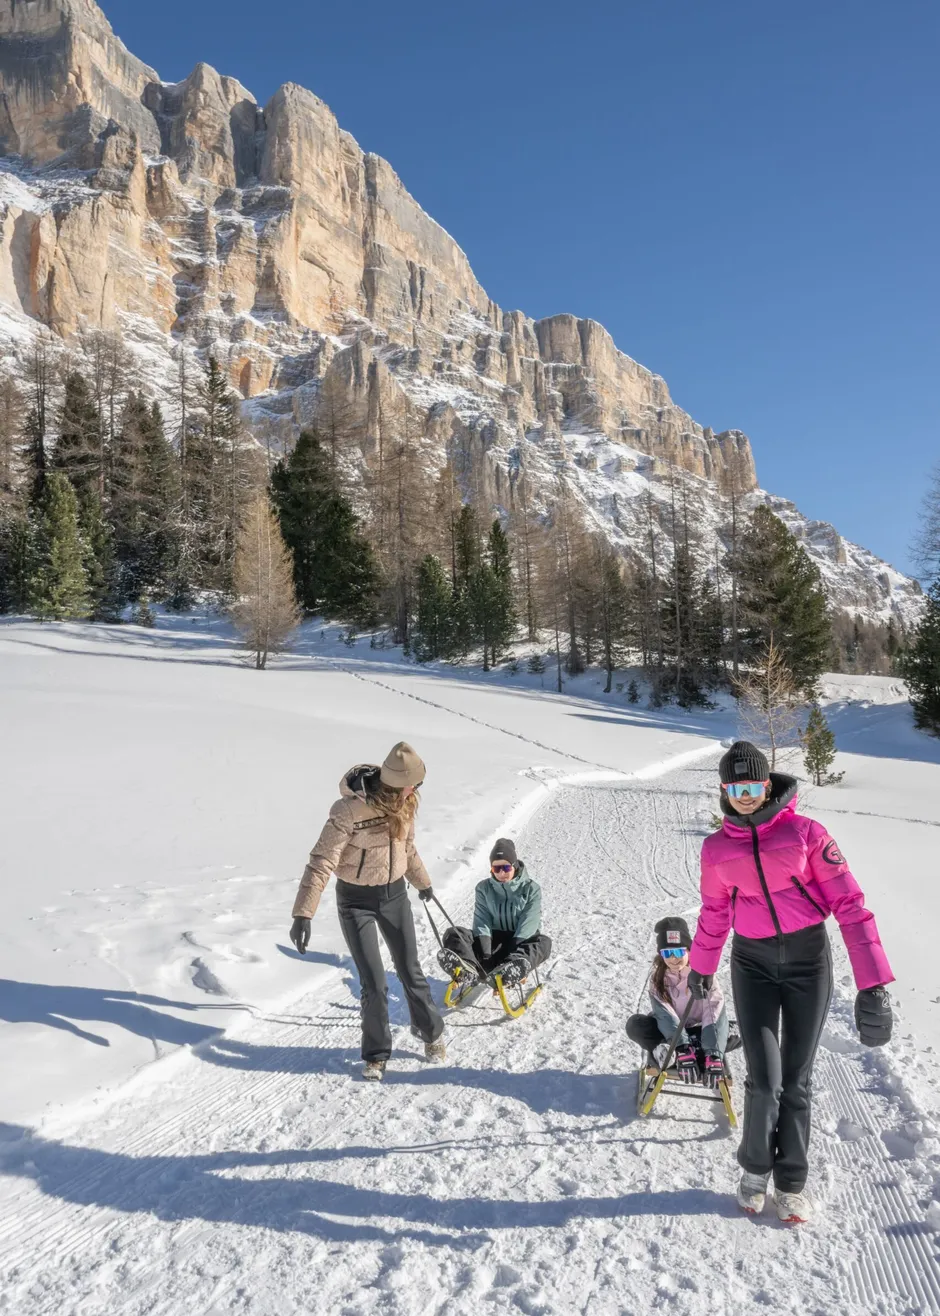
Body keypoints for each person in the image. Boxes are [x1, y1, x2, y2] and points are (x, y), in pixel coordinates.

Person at [688, 740, 894, 1224]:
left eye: (753, 784)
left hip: (807, 963)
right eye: (735, 786)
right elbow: (715, 910)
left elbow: (850, 905)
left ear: (767, 783)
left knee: (796, 1080)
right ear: (724, 789)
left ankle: (792, 1183)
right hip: (752, 965)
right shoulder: (716, 847)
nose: (745, 794)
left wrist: (873, 985)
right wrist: (701, 966)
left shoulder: (806, 833)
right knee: (765, 1080)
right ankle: (755, 1172)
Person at [289, 742, 446, 1081]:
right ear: (395, 781)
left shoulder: (406, 803)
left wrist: (423, 883)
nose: (416, 790)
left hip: (394, 896)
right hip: (355, 901)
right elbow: (322, 861)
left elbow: (407, 848)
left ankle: (431, 1032)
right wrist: (303, 913)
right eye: (413, 784)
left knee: (409, 969)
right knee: (374, 982)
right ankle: (375, 1055)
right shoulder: (347, 811)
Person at [625, 916, 731, 1090]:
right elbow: (665, 1014)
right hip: (671, 1032)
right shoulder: (658, 979)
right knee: (635, 1025)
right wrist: (681, 1046)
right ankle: (676, 1049)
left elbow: (714, 1010)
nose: (673, 958)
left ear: (689, 950)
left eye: (679, 952)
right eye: (667, 953)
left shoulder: (704, 975)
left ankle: (704, 1048)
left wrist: (714, 1053)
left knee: (740, 1030)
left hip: (701, 1027)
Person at [438, 839, 552, 988]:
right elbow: (482, 920)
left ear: (514, 865)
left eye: (505, 867)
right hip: (493, 942)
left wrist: (510, 954)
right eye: (496, 869)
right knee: (454, 933)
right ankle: (468, 969)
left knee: (544, 942)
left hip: (519, 943)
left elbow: (528, 923)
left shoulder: (531, 889)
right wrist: (486, 957)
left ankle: (510, 969)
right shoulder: (483, 888)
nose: (501, 873)